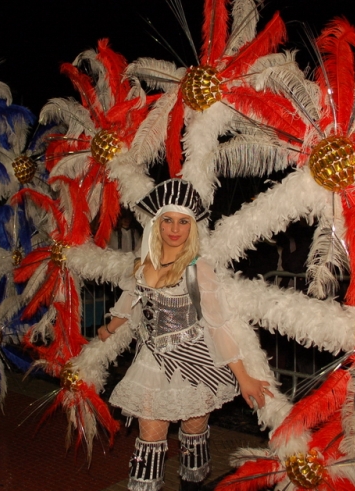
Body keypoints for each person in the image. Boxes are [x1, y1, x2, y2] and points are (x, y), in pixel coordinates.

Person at [97, 179, 273, 491]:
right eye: (168, 220)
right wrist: (109, 329)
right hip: (152, 362)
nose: (174, 229)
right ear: (157, 223)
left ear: (192, 227)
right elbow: (131, 305)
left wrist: (243, 377)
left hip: (195, 362)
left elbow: (218, 325)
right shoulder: (142, 265)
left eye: (183, 222)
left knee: (193, 434)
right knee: (149, 438)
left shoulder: (197, 268)